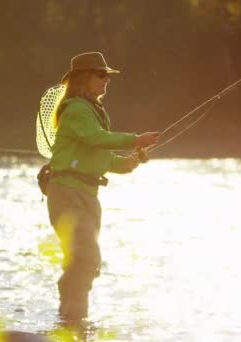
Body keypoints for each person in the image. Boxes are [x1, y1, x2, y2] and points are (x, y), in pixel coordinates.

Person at [46, 52, 159, 321]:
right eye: (101, 75)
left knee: (87, 260)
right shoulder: (75, 109)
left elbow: (102, 156)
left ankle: (73, 320)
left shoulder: (93, 111)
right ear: (84, 78)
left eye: (107, 75)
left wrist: (129, 162)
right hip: (67, 194)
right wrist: (136, 140)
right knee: (84, 257)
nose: (106, 80)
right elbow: (96, 139)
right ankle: (71, 320)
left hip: (87, 195)